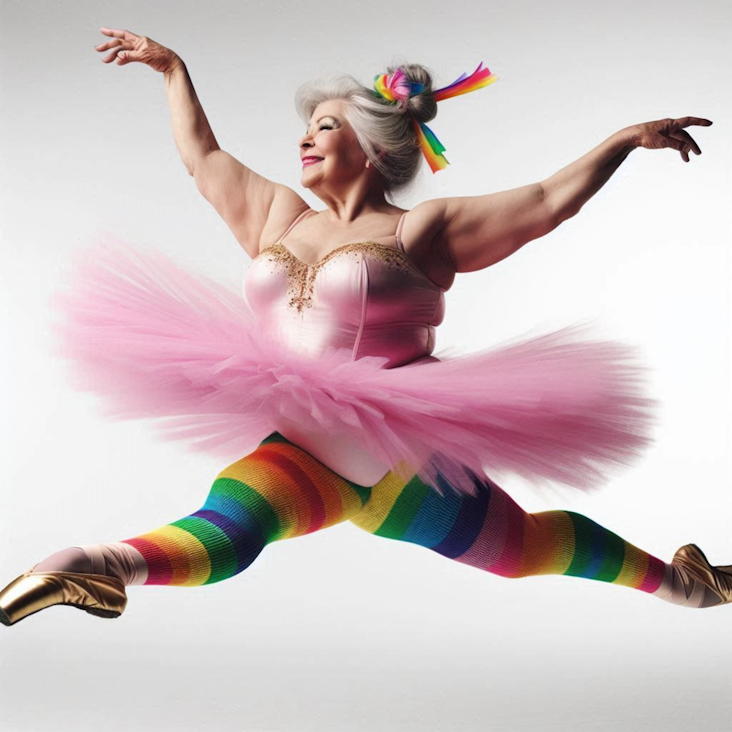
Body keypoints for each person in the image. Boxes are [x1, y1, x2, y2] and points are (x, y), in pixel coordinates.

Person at [1, 28, 730, 628]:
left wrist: (625, 140)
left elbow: (543, 202)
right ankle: (93, 566)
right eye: (306, 129)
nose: (304, 142)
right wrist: (172, 71)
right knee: (229, 526)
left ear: (374, 147)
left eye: (324, 126)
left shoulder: (423, 229)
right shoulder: (280, 216)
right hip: (304, 453)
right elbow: (204, 160)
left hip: (401, 460)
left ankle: (683, 584)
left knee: (524, 549)